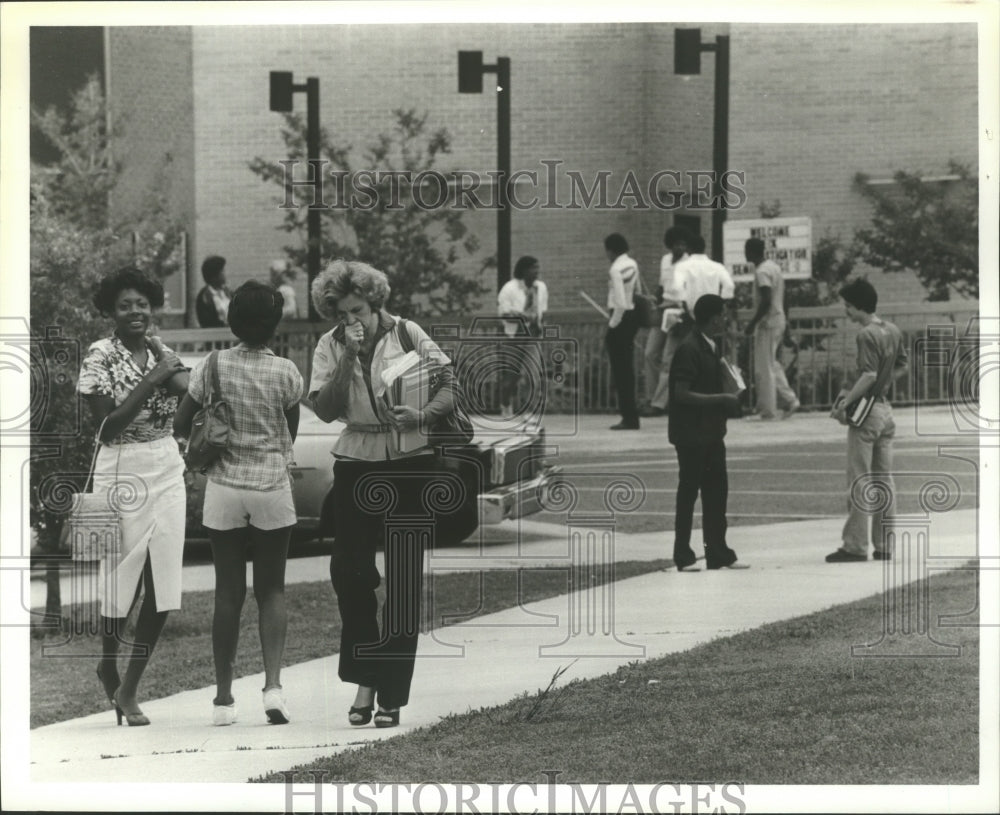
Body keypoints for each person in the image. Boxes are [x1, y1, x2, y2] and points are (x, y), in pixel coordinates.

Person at [308, 259, 458, 729]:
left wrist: (423, 416)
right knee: (349, 572)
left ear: (376, 303)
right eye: (342, 314)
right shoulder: (329, 346)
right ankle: (366, 676)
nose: (352, 322)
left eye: (359, 311)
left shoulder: (407, 333)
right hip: (357, 455)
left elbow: (448, 385)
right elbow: (327, 410)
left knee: (404, 578)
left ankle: (390, 693)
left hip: (411, 458)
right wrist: (349, 357)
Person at [174, 281, 303, 725]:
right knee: (272, 590)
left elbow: (181, 419)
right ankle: (272, 689)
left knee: (228, 593)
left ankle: (224, 700)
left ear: (232, 320)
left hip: (224, 488)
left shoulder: (211, 366)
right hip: (271, 488)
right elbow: (290, 430)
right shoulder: (287, 371)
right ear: (274, 324)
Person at [76, 266, 189, 726]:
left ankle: (130, 687)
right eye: (125, 305)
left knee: (163, 583)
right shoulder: (99, 356)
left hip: (165, 467)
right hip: (120, 468)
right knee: (122, 580)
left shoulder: (162, 351)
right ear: (111, 312)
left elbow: (186, 397)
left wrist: (174, 373)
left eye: (142, 304)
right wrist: (152, 378)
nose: (135, 311)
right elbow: (106, 427)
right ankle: (108, 660)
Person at [826, 278, 908, 563]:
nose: (846, 311)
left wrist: (846, 403)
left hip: (867, 413)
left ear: (859, 306)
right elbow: (902, 364)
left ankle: (855, 545)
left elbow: (869, 374)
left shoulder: (866, 335)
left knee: (859, 479)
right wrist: (883, 385)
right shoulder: (892, 330)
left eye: (848, 306)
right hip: (886, 410)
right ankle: (884, 544)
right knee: (884, 480)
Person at [667, 294, 747, 571]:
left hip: (711, 432)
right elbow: (681, 393)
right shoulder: (689, 349)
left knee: (716, 493)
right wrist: (721, 399)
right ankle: (683, 554)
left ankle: (717, 552)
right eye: (723, 315)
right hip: (691, 434)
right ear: (713, 318)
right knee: (689, 493)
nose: (725, 319)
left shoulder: (710, 346)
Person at [743, 238, 799, 420]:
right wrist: (787, 326)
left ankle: (767, 411)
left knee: (764, 367)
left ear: (751, 252)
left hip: (767, 323)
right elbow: (784, 298)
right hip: (778, 319)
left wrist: (752, 323)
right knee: (772, 364)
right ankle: (790, 400)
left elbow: (766, 300)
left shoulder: (762, 271)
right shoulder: (774, 267)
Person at [641, 226, 690, 417]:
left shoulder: (689, 263)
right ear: (670, 244)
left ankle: (659, 404)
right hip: (662, 308)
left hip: (677, 310)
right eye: (677, 243)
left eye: (683, 244)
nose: (680, 247)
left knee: (668, 359)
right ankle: (651, 397)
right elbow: (661, 285)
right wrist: (655, 297)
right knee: (650, 353)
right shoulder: (665, 260)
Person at [497, 255, 548, 419]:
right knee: (512, 376)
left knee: (533, 375)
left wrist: (540, 324)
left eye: (537, 268)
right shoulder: (509, 288)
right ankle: (506, 406)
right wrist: (523, 316)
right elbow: (503, 314)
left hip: (533, 335)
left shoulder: (540, 287)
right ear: (524, 270)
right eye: (533, 268)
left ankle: (529, 412)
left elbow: (543, 310)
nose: (537, 272)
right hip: (514, 336)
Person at [604, 233, 641, 430]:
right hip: (632, 316)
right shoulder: (632, 264)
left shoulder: (615, 268)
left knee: (620, 371)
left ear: (610, 250)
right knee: (627, 369)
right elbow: (636, 291)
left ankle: (628, 417)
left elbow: (619, 300)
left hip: (620, 316)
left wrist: (612, 325)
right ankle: (631, 414)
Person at [670, 233, 736, 323]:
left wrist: (684, 307)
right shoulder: (717, 266)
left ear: (688, 249)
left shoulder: (682, 266)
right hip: (712, 314)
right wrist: (720, 303)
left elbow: (677, 288)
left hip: (691, 312)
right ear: (704, 248)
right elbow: (729, 286)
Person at [195, 255, 231, 328]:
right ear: (214, 276)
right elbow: (206, 322)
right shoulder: (204, 297)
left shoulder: (229, 293)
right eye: (222, 271)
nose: (225, 274)